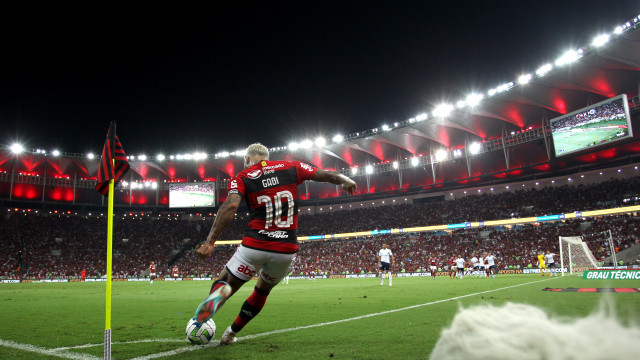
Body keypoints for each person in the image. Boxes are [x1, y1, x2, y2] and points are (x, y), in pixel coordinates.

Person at [194, 143, 356, 345]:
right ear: (267, 157)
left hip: (255, 245)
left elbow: (232, 205)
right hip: (286, 250)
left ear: (247, 158)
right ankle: (231, 333)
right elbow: (323, 174)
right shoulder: (292, 167)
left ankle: (206, 312)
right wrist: (345, 180)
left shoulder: (243, 176)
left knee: (226, 282)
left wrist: (210, 242)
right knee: (262, 291)